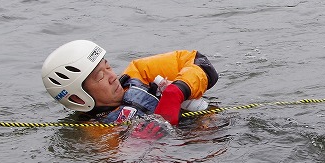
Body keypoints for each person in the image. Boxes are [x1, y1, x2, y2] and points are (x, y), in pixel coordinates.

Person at [40, 40, 218, 127]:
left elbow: (199, 62)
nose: (111, 76)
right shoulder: (95, 132)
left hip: (219, 127)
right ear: (78, 98)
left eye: (107, 66)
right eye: (99, 77)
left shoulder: (138, 73)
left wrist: (179, 89)